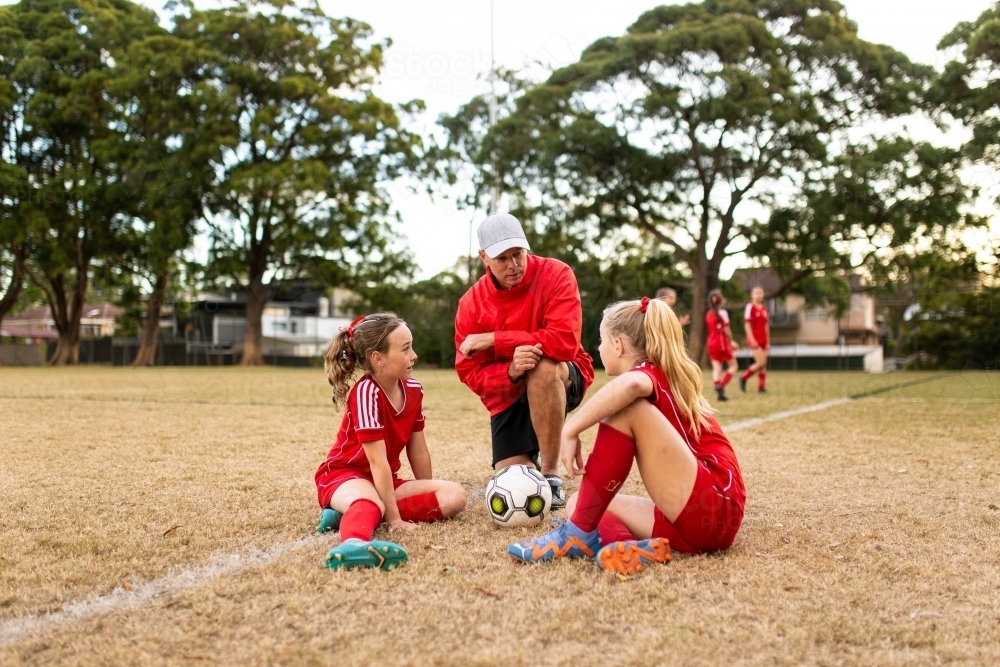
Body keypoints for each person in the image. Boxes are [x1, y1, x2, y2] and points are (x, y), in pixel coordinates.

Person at [507, 296, 745, 574]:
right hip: (700, 522)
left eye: (601, 341)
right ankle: (627, 546)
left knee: (626, 409)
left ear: (618, 345)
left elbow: (631, 385)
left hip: (712, 506)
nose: (599, 348)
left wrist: (571, 429)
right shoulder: (661, 375)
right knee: (580, 506)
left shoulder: (649, 373)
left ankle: (576, 534)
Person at [454, 213, 594, 509]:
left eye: (518, 254)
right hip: (508, 392)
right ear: (483, 257)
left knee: (542, 365)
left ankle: (551, 474)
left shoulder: (557, 273)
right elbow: (468, 371)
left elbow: (565, 342)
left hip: (562, 374)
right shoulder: (470, 303)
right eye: (502, 258)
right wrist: (510, 370)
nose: (514, 265)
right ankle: (534, 456)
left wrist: (495, 339)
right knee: (514, 477)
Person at [314, 312, 467, 570]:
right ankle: (353, 542)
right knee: (369, 501)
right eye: (405, 349)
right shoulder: (366, 392)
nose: (414, 355)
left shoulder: (414, 389)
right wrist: (394, 519)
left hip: (382, 480)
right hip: (345, 475)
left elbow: (418, 451)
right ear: (378, 359)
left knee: (455, 496)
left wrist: (425, 487)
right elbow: (376, 462)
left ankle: (347, 515)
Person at [705, 289, 739, 402]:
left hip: (711, 344)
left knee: (716, 368)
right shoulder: (722, 313)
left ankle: (719, 393)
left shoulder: (708, 314)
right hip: (722, 344)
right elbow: (727, 330)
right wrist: (732, 341)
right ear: (721, 300)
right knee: (733, 366)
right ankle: (721, 386)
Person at [740, 286, 770, 393]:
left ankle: (761, 387)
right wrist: (752, 339)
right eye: (756, 293)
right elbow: (747, 324)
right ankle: (743, 377)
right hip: (755, 340)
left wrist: (768, 341)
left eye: (760, 293)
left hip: (763, 340)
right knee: (760, 362)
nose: (758, 295)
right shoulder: (750, 307)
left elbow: (766, 326)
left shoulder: (764, 308)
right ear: (752, 295)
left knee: (763, 364)